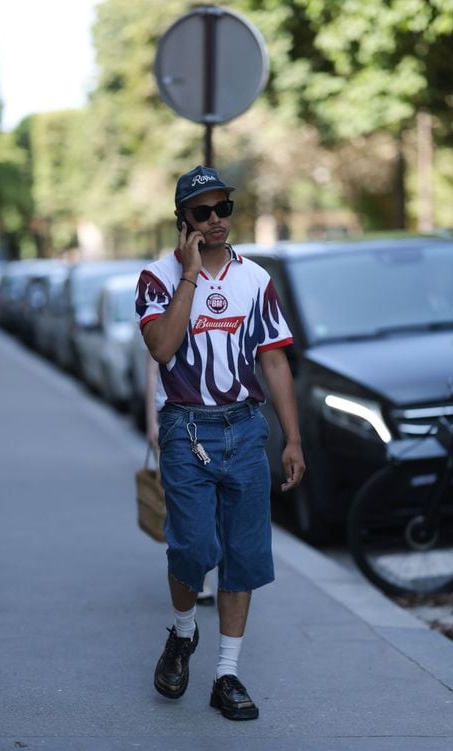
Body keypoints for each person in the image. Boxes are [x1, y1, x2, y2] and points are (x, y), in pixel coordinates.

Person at [135, 165, 305, 721]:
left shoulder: (254, 279)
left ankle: (226, 673)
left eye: (222, 209)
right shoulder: (156, 279)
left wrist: (291, 439)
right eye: (202, 212)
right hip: (186, 430)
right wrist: (188, 276)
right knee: (192, 550)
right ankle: (183, 634)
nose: (215, 222)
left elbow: (274, 359)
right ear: (181, 219)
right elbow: (162, 347)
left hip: (245, 426)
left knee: (245, 555)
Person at [145, 353, 215, 606]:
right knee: (189, 504)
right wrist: (152, 421)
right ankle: (197, 577)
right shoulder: (166, 314)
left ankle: (203, 572)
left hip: (218, 418)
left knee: (214, 501)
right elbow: (153, 369)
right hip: (177, 421)